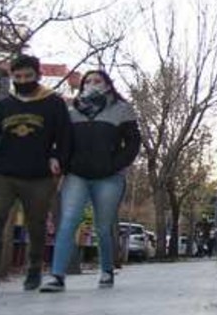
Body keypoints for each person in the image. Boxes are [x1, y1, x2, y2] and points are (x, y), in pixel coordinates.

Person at [0, 55, 71, 295]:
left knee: (36, 225)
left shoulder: (54, 103)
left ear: (38, 75)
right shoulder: (3, 106)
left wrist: (58, 158)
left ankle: (35, 267)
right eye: (18, 77)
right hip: (3, 173)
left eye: (28, 76)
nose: (23, 80)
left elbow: (66, 137)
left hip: (38, 176)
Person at [40, 70, 141, 293]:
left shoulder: (121, 110)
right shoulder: (72, 111)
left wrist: (117, 164)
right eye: (88, 81)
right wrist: (57, 158)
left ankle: (106, 270)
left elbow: (133, 142)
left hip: (109, 177)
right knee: (68, 222)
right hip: (77, 175)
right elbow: (62, 141)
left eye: (98, 81)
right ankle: (57, 275)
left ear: (107, 85)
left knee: (103, 227)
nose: (92, 84)